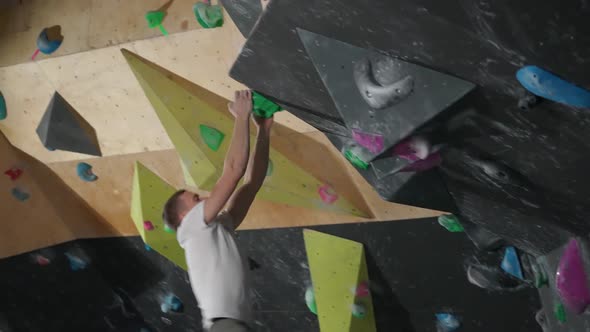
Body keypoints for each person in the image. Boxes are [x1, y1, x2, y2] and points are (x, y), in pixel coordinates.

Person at [162, 90, 273, 331]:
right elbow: (233, 170)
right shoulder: (191, 228)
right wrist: (241, 117)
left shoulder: (218, 227)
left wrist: (263, 131)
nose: (204, 197)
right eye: (195, 198)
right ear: (184, 216)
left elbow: (252, 184)